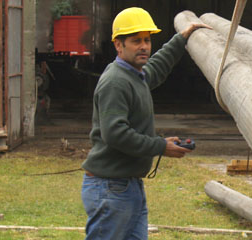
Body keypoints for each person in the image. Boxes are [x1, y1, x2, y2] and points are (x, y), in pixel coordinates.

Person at [80, 7, 210, 240]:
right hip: (111, 188)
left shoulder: (134, 75)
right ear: (118, 46)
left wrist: (182, 38)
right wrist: (160, 146)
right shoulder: (115, 82)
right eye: (135, 41)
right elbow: (115, 133)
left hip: (127, 186)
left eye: (147, 40)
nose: (144, 46)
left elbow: (156, 68)